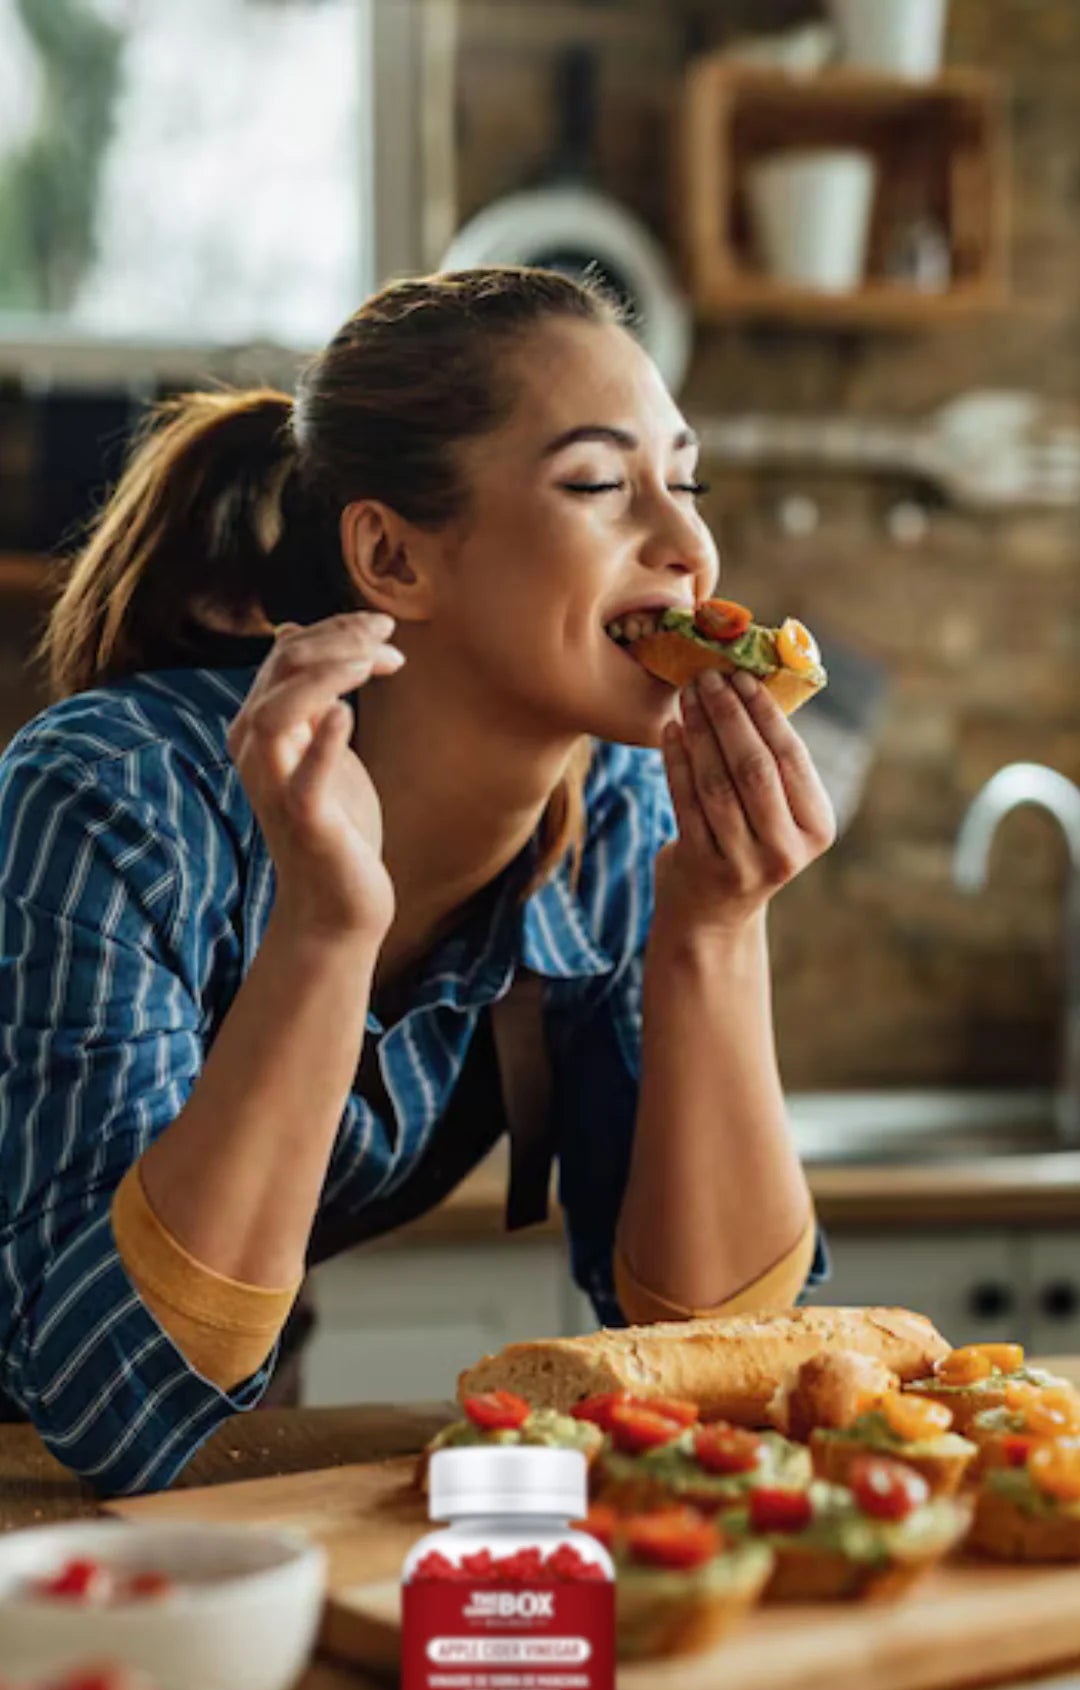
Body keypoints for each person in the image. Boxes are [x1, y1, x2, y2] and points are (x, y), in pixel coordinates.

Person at [0, 267, 835, 1496]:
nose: (689, 545)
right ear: (392, 556)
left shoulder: (615, 827)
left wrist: (717, 931)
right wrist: (328, 932)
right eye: (603, 485)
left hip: (208, 1464)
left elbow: (732, 1373)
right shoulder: (117, 799)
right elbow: (104, 1399)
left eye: (685, 479)